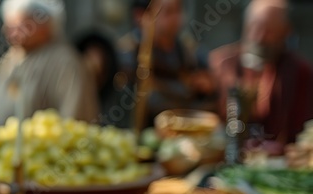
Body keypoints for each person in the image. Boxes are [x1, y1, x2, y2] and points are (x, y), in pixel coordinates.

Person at [209, 0, 313, 149]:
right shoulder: (221, 64)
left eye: (268, 31)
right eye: (254, 27)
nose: (258, 37)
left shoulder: (301, 74)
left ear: (286, 32)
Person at [0, 0, 98, 125]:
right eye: (9, 26)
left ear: (46, 24)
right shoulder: (11, 57)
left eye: (20, 26)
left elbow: (74, 119)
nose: (11, 32)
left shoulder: (64, 62)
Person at [116, 0, 215, 128]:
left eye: (178, 11)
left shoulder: (188, 53)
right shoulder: (128, 53)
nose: (176, 18)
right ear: (141, 16)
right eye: (168, 12)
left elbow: (208, 84)